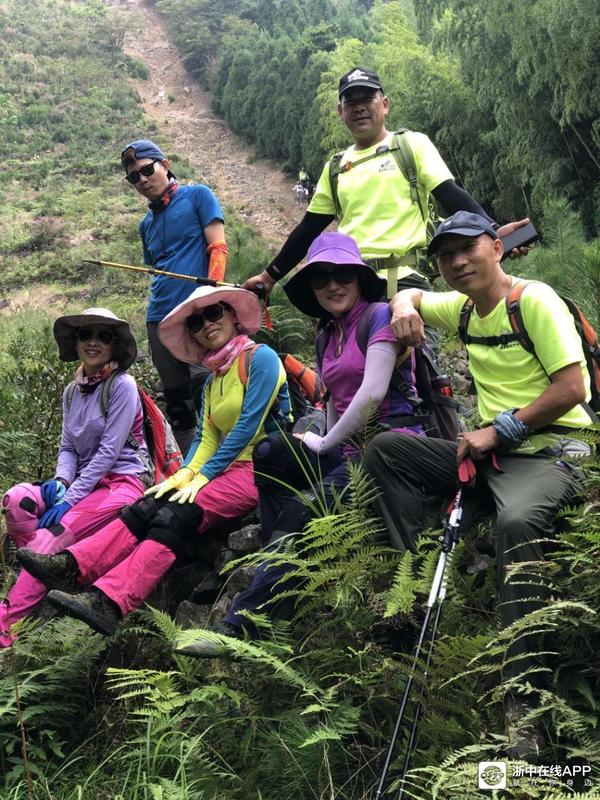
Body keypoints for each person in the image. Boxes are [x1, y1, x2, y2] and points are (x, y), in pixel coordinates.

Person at [364, 211, 592, 756]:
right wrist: (402, 305)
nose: (458, 262)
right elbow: (412, 297)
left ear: (496, 247)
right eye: (446, 255)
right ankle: (414, 585)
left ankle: (523, 695)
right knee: (386, 450)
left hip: (552, 450)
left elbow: (573, 387)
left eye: (468, 248)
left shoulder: (533, 301)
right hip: (491, 457)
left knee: (518, 521)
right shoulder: (465, 308)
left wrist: (501, 429)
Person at [176, 231, 425, 658]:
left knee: (300, 507)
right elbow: (336, 401)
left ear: (360, 278)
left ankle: (244, 623)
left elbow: (372, 394)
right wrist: (319, 442)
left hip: (388, 447)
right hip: (347, 448)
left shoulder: (380, 317)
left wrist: (325, 442)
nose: (333, 285)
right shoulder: (327, 335)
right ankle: (281, 565)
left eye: (343, 275)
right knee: (272, 452)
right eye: (321, 277)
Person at [18, 287, 291, 637]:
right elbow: (207, 439)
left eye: (214, 314)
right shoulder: (213, 381)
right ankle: (73, 566)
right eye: (196, 322)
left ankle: (110, 600)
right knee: (149, 504)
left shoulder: (261, 359)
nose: (206, 325)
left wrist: (202, 476)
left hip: (263, 469)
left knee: (177, 514)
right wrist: (184, 474)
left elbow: (248, 425)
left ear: (233, 315)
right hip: (229, 469)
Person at [244, 67, 530, 304]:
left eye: (367, 98)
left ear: (384, 104)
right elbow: (308, 229)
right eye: (350, 102)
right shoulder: (336, 167)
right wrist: (269, 277)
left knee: (413, 354)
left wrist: (493, 231)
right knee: (348, 358)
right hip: (352, 286)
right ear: (340, 111)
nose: (359, 107)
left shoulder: (410, 145)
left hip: (405, 282)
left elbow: (452, 197)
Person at [1, 308, 148, 647]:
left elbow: (109, 453)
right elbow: (68, 446)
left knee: (51, 535)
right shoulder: (73, 391)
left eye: (104, 336)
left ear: (115, 345)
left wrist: (68, 499)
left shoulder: (122, 386)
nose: (93, 342)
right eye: (86, 335)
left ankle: (6, 628)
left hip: (121, 483)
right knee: (17, 501)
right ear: (76, 342)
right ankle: (40, 575)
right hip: (82, 482)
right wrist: (61, 481)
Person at [121, 138, 228, 455]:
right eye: (134, 177)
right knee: (178, 402)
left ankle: (226, 465)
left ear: (165, 165)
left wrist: (211, 294)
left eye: (147, 170)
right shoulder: (146, 224)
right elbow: (156, 268)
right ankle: (191, 467)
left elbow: (218, 247)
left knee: (208, 389)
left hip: (197, 312)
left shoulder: (198, 196)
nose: (142, 180)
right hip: (158, 319)